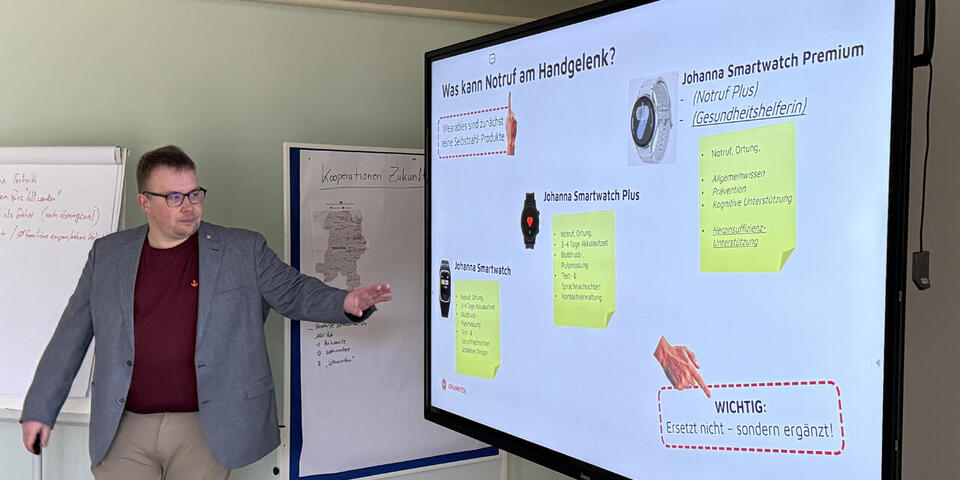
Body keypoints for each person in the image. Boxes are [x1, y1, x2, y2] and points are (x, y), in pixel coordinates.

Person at [19, 145, 392, 479]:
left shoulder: (243, 250)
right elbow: (70, 335)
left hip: (206, 425)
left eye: (194, 194)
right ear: (145, 203)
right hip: (122, 426)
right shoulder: (108, 255)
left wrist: (344, 303)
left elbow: (293, 292)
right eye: (175, 197)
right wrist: (39, 409)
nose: (189, 206)